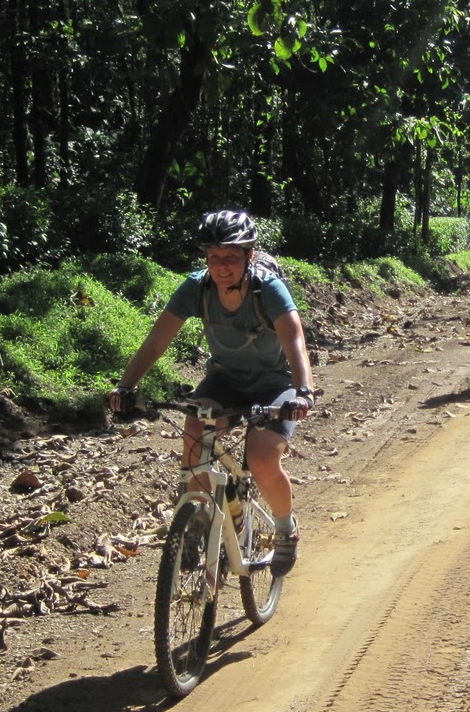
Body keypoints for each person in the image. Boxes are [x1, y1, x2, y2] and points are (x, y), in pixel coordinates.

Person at [108, 210, 315, 576]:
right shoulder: (196, 288)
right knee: (194, 438)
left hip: (274, 385)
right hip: (224, 381)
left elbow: (294, 340)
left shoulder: (269, 289)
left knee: (263, 459)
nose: (222, 266)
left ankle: (286, 531)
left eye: (232, 257)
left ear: (249, 256)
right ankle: (198, 520)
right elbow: (156, 343)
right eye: (214, 257)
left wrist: (303, 392)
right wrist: (127, 386)